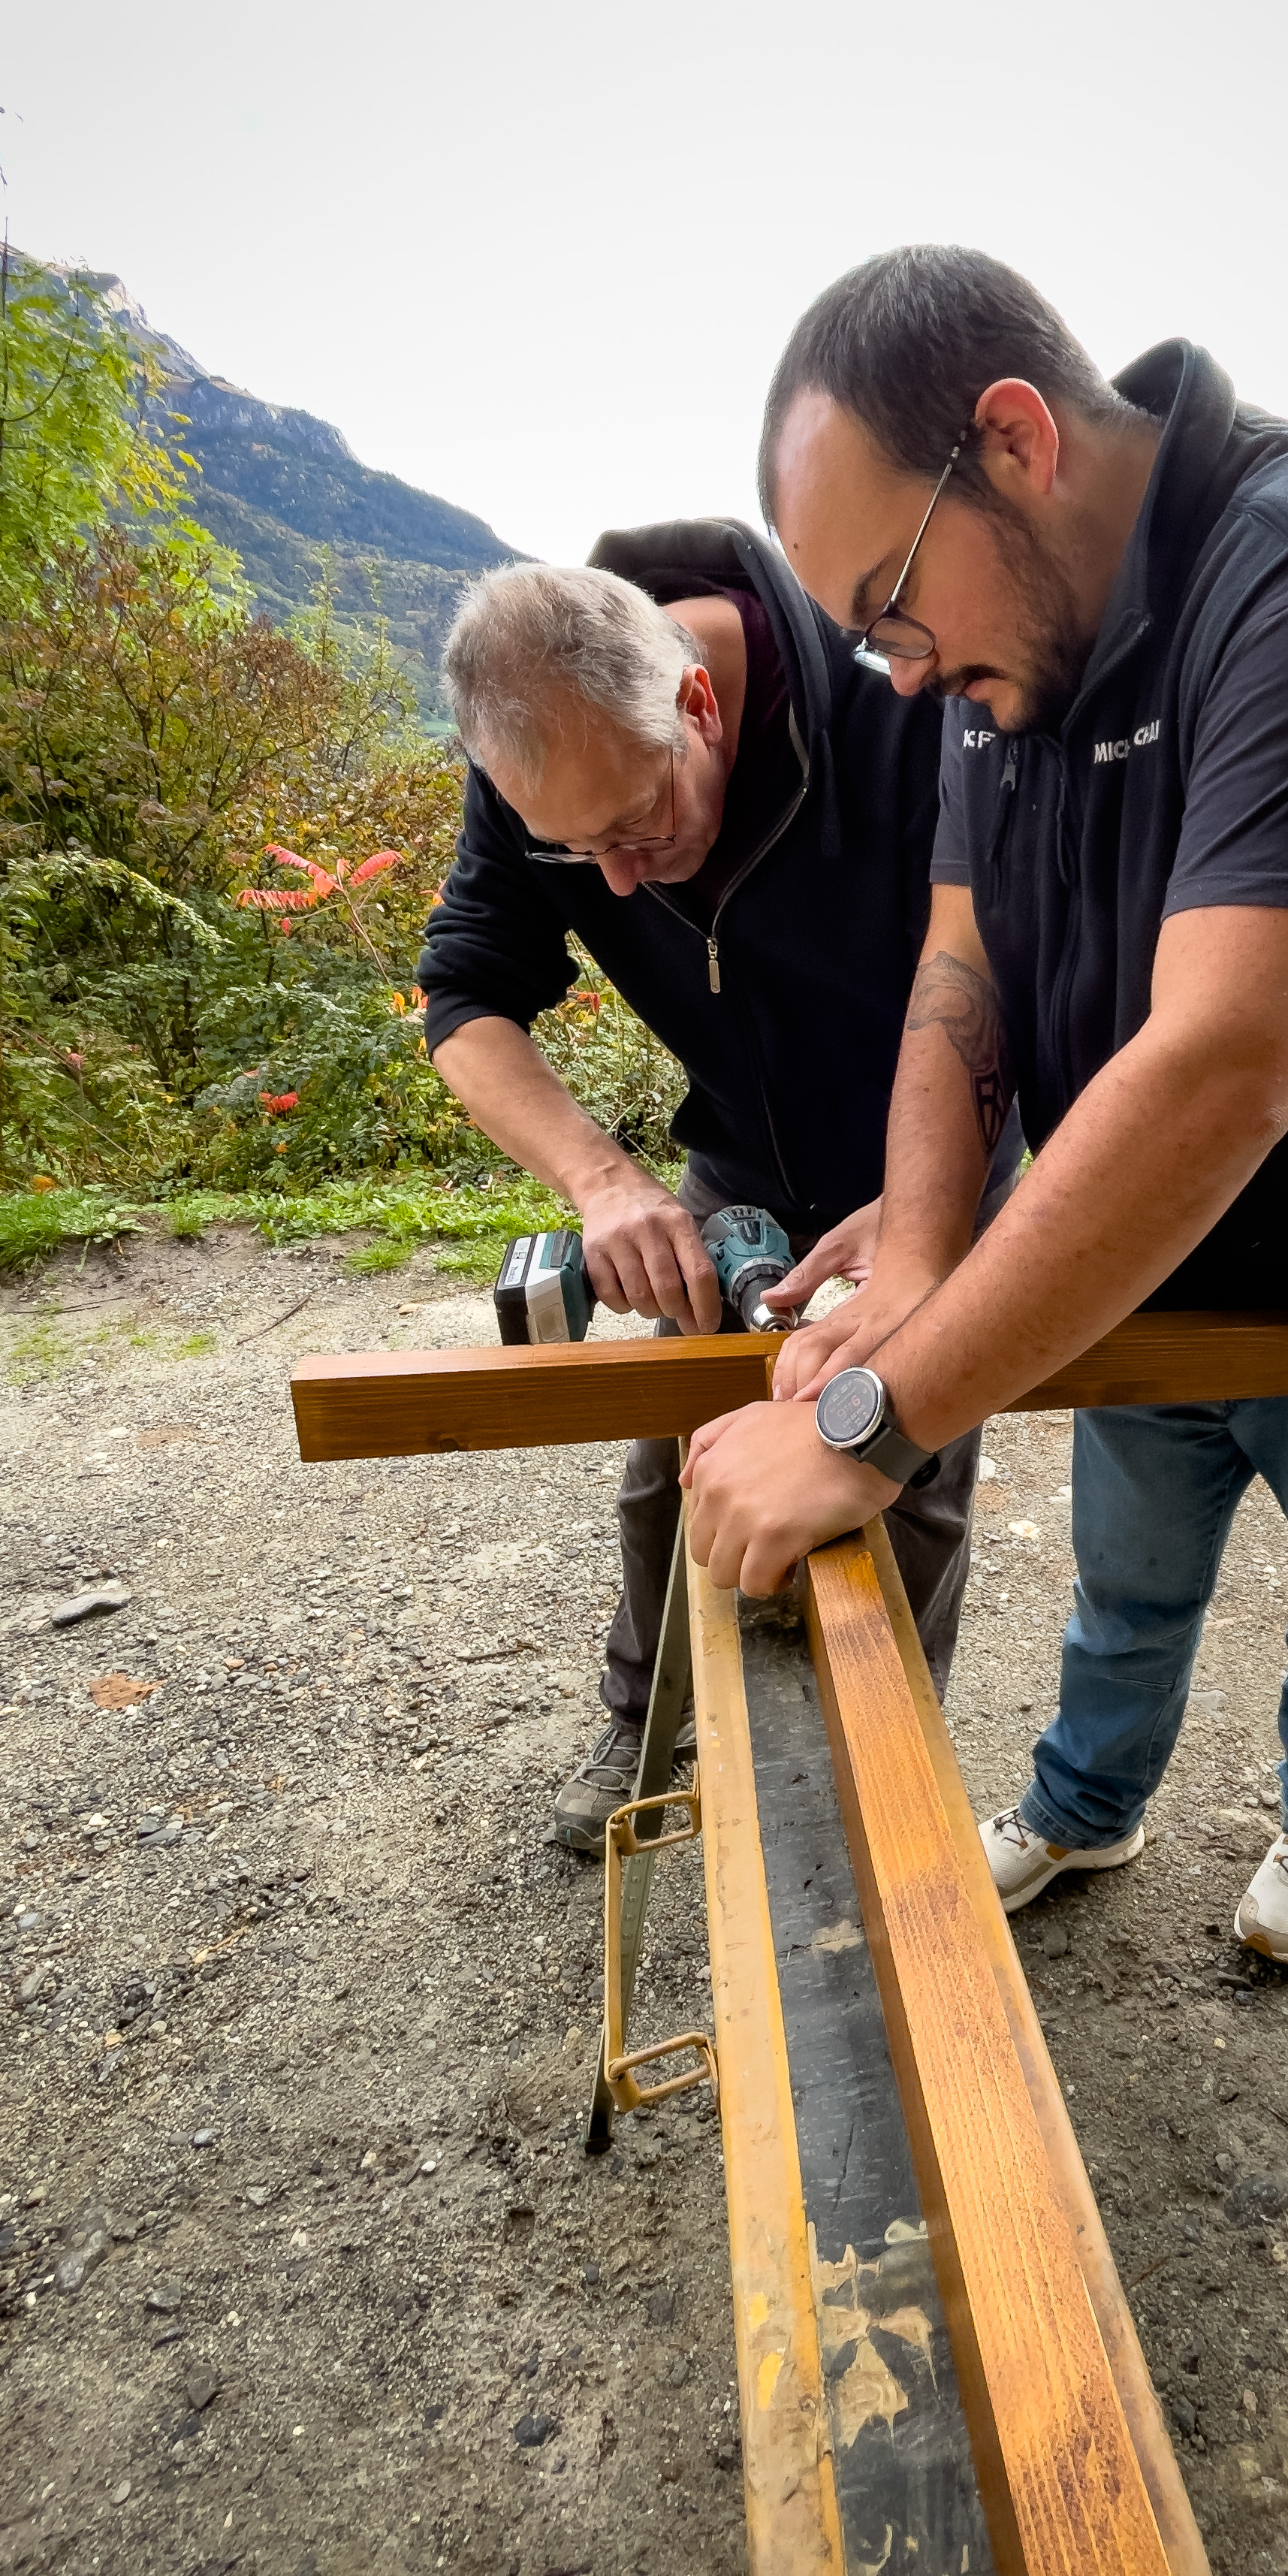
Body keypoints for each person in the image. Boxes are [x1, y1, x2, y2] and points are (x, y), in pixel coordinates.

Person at [682, 248, 1288, 1965]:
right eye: (868, 641)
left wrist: (870, 1426)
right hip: (1134, 1251)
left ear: (1013, 443)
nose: (903, 675)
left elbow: (1226, 1066)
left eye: (892, 607)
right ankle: (1091, 1807)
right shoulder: (997, 657)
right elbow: (961, 985)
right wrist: (921, 1268)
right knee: (1126, 1583)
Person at [419, 521, 1015, 1853]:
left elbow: (1021, 971)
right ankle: (643, 1725)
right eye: (580, 854)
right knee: (672, 1460)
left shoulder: (899, 704)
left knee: (893, 1462)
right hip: (741, 1164)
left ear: (699, 698)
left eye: (638, 821)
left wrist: (930, 1218)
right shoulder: (544, 755)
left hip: (933, 1157)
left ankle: (883, 1799)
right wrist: (603, 1181)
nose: (619, 877)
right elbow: (464, 994)